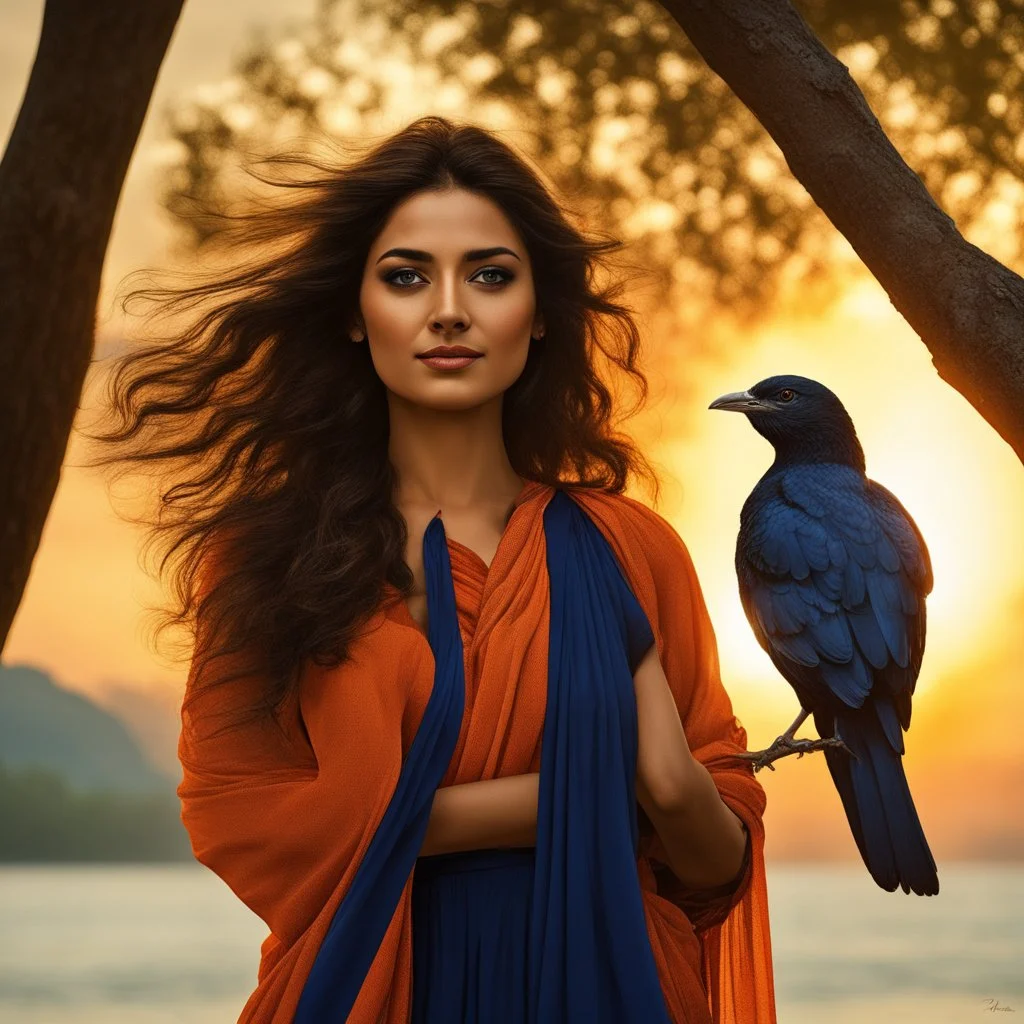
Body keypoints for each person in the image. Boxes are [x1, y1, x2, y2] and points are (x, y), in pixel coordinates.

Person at [87, 116, 776, 1022]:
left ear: (537, 318)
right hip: (374, 990)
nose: (448, 309)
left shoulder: (630, 549)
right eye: (406, 276)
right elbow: (238, 816)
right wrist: (588, 798)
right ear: (352, 311)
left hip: (619, 989)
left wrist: (675, 788)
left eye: (490, 276)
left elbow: (714, 864)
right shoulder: (269, 558)